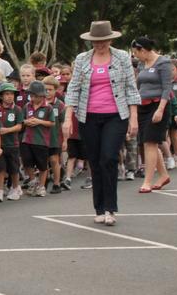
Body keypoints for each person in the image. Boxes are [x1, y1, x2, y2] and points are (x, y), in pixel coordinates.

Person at [63, 21, 140, 226]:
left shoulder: (122, 57)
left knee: (109, 158)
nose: (99, 45)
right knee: (95, 161)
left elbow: (131, 89)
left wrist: (133, 118)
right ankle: (99, 207)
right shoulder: (82, 59)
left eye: (103, 41)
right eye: (95, 42)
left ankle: (110, 208)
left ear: (110, 40)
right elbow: (73, 89)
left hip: (116, 115)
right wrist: (67, 118)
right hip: (88, 116)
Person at [131, 37, 172, 193]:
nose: (135, 56)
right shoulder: (142, 64)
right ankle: (163, 175)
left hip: (157, 105)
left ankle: (147, 181)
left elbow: (167, 88)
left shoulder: (164, 63)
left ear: (143, 50)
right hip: (143, 106)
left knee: (150, 142)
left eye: (136, 53)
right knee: (149, 142)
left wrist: (160, 109)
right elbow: (138, 85)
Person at [21, 81, 55, 197]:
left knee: (42, 165)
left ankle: (41, 186)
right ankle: (33, 181)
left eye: (37, 96)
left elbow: (52, 123)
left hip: (41, 140)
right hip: (27, 139)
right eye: (33, 96)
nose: (34, 98)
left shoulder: (48, 107)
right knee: (27, 162)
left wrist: (39, 121)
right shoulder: (27, 106)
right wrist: (26, 122)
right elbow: (22, 120)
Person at [0, 83, 24, 201]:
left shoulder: (17, 109)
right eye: (6, 94)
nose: (10, 97)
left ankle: (15, 188)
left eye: (11, 94)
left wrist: (7, 130)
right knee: (0, 169)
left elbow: (19, 126)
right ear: (0, 96)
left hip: (13, 144)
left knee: (14, 168)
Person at [43, 76, 66, 194]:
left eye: (50, 89)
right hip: (42, 138)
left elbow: (63, 123)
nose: (47, 92)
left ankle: (56, 183)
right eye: (45, 89)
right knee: (43, 161)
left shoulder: (60, 105)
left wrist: (65, 140)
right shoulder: (40, 104)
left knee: (54, 160)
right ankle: (44, 181)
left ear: (55, 90)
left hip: (55, 138)